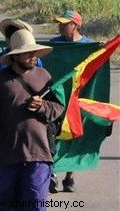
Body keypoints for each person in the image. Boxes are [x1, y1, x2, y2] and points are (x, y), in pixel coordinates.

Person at [0, 30, 64, 208]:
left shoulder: (44, 76)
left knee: (36, 204)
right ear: (15, 56)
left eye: (34, 52)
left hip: (38, 154)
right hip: (4, 156)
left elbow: (57, 109)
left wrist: (42, 106)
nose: (33, 56)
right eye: (28, 53)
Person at [49, 10, 94, 193]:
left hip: (79, 97)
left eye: (64, 24)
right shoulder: (54, 45)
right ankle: (52, 174)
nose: (60, 27)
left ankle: (70, 176)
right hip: (58, 97)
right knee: (53, 133)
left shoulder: (88, 46)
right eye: (59, 23)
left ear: (75, 25)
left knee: (75, 134)